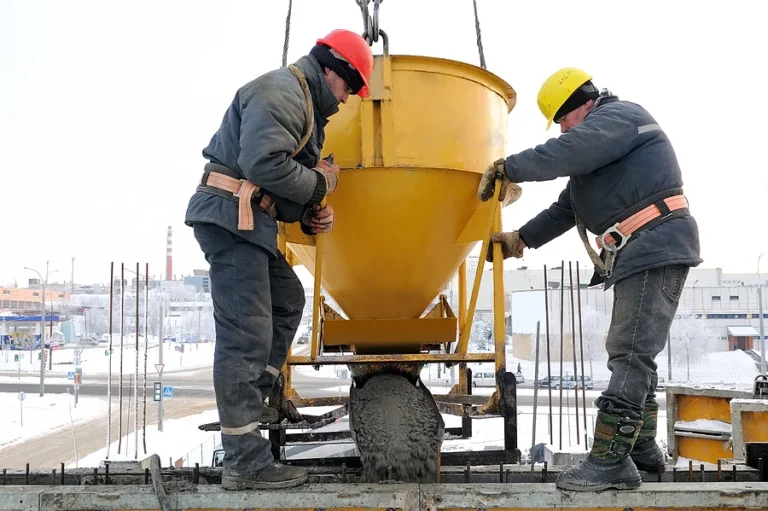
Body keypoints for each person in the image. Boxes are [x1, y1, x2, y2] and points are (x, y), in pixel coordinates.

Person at [477, 67, 701, 491]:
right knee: (633, 350)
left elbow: (571, 150)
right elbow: (567, 209)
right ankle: (640, 449)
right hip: (642, 251)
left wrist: (512, 167)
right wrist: (519, 240)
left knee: (629, 351)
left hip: (657, 245)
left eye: (562, 120)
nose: (562, 131)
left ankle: (610, 463)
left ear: (582, 104)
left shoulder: (620, 119)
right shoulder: (602, 154)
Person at [184, 29, 374, 490]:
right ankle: (245, 463)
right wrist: (320, 186)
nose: (349, 99)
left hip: (251, 220)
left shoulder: (306, 106)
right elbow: (264, 163)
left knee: (288, 298)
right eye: (350, 87)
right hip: (232, 218)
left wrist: (309, 215)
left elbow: (281, 186)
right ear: (333, 72)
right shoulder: (282, 92)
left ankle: (262, 394)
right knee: (245, 335)